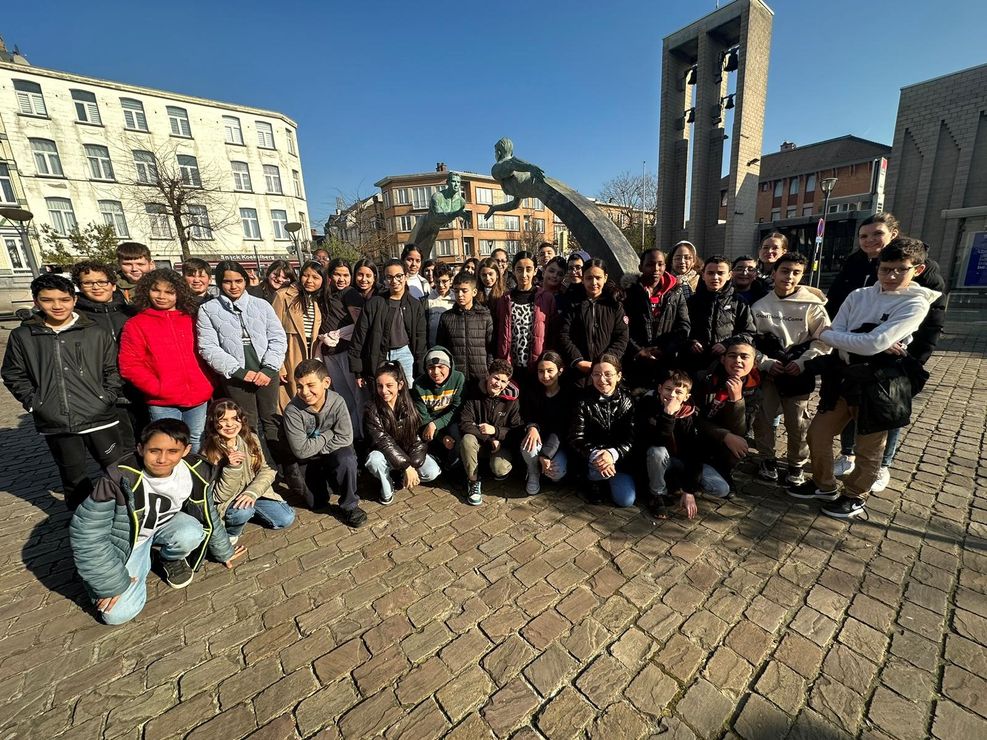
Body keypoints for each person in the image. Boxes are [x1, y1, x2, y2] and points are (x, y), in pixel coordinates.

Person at [790, 238, 941, 519]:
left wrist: (835, 336)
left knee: (869, 447)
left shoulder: (916, 303)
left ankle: (854, 495)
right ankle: (824, 485)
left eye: (900, 269)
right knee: (818, 433)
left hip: (880, 383)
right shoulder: (858, 295)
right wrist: (860, 339)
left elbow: (870, 343)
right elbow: (848, 334)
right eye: (886, 269)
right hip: (844, 378)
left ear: (916, 270)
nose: (891, 276)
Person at [68, 419, 245, 625]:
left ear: (186, 450)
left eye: (172, 451)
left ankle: (169, 557)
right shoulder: (118, 478)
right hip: (130, 543)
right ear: (141, 448)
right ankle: (141, 558)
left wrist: (224, 550)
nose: (163, 459)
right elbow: (87, 534)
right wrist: (110, 584)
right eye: (154, 451)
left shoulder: (196, 471)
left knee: (193, 531)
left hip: (164, 526)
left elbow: (208, 512)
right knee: (116, 615)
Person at [825, 213, 947, 492]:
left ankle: (882, 466)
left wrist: (916, 356)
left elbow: (933, 319)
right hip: (850, 353)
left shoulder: (922, 270)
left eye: (876, 234)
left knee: (887, 411)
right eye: (864, 235)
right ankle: (848, 453)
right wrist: (836, 336)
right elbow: (837, 305)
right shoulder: (856, 263)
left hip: (896, 357)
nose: (869, 240)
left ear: (893, 233)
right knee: (852, 404)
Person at [2, 274, 124, 510]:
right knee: (73, 478)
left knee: (117, 471)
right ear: (36, 302)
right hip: (57, 421)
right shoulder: (24, 336)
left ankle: (126, 513)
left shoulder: (95, 332)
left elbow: (112, 369)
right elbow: (13, 374)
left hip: (99, 417)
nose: (57, 306)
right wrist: (35, 403)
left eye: (64, 299)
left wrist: (106, 397)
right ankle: (83, 524)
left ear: (74, 300)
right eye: (48, 300)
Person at [750, 252, 830, 486]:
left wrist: (803, 361)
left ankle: (796, 464)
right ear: (774, 273)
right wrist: (764, 361)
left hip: (798, 371)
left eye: (796, 273)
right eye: (785, 271)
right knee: (763, 418)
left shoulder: (813, 306)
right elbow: (749, 340)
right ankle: (767, 459)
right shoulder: (760, 305)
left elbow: (824, 340)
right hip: (769, 371)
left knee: (798, 421)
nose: (790, 277)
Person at [196, 261, 287, 463]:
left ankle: (282, 468)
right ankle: (258, 465)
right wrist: (239, 371)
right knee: (247, 423)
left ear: (245, 281)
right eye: (227, 282)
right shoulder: (208, 310)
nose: (234, 286)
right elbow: (208, 347)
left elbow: (277, 338)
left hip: (266, 374)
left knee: (271, 420)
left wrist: (269, 368)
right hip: (236, 377)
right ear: (220, 283)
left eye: (238, 281)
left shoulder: (261, 305)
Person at [119, 269, 214, 452]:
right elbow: (130, 364)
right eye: (156, 290)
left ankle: (194, 479)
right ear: (147, 290)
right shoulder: (136, 324)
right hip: (162, 400)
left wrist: (208, 381)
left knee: (196, 439)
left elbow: (207, 350)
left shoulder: (192, 318)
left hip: (198, 395)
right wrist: (157, 388)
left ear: (179, 293)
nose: (162, 296)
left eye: (169, 292)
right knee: (168, 444)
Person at [283, 359, 364, 526]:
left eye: (311, 385)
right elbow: (301, 451)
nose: (305, 392)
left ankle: (350, 504)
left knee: (347, 457)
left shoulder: (337, 401)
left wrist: (315, 446)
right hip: (308, 459)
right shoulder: (292, 411)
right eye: (299, 386)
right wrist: (328, 434)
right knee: (316, 504)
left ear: (326, 382)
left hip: (330, 451)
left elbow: (346, 438)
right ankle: (325, 483)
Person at [200, 399, 294, 542]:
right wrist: (232, 468)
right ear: (213, 422)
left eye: (234, 418)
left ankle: (251, 511)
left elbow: (268, 469)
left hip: (253, 493)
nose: (230, 424)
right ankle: (231, 532)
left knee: (286, 518)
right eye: (223, 420)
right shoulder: (209, 453)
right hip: (229, 502)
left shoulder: (251, 438)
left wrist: (252, 492)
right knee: (243, 512)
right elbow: (218, 497)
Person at [71, 260, 139, 449]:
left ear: (113, 284)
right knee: (116, 449)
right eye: (88, 282)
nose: (96, 287)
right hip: (101, 393)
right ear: (79, 286)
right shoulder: (76, 318)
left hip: (137, 389)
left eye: (102, 281)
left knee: (145, 440)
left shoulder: (130, 312)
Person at [365, 362, 442, 504]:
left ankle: (401, 475)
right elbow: (383, 441)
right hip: (384, 453)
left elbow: (419, 438)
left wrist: (412, 465)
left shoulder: (411, 403)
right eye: (379, 386)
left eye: (389, 385)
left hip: (408, 452)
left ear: (399, 385)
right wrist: (407, 466)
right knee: (374, 461)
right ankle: (388, 481)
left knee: (432, 472)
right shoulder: (372, 409)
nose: (384, 390)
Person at [693, 337, 760, 497]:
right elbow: (692, 417)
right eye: (732, 355)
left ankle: (720, 472)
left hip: (720, 443)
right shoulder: (704, 378)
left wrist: (736, 400)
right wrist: (724, 435)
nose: (738, 360)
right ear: (723, 359)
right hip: (696, 436)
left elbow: (741, 430)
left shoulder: (755, 391)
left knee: (740, 444)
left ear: (754, 363)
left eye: (744, 357)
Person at [569, 354, 637, 507]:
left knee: (626, 500)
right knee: (596, 489)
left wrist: (612, 454)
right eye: (596, 374)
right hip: (592, 458)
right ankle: (593, 482)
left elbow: (632, 437)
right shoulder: (582, 400)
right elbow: (576, 437)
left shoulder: (629, 400)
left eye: (608, 374)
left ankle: (610, 479)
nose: (602, 380)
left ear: (618, 376)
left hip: (619, 459)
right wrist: (597, 455)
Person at [321, 259, 377, 441]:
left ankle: (362, 434)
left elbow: (360, 325)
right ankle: (351, 433)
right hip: (330, 353)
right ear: (330, 276)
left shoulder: (351, 294)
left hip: (346, 352)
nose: (341, 279)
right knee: (343, 397)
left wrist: (336, 334)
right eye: (337, 274)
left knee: (358, 397)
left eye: (346, 275)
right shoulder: (327, 294)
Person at [349, 259, 426, 389]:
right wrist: (358, 371)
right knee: (381, 393)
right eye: (389, 277)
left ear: (405, 276)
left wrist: (421, 368)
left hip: (405, 354)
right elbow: (359, 337)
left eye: (398, 276)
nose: (394, 281)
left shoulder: (415, 305)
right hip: (379, 354)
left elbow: (420, 339)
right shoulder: (375, 303)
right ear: (384, 279)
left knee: (408, 393)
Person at [639, 371, 706, 520]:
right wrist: (668, 414)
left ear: (686, 397)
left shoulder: (691, 414)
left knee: (720, 488)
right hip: (656, 461)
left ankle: (679, 486)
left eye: (679, 392)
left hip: (681, 462)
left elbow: (695, 453)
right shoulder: (648, 407)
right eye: (668, 389)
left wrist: (689, 491)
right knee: (658, 452)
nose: (672, 395)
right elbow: (657, 442)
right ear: (660, 389)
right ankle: (657, 494)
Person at [459, 359, 522, 506]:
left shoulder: (512, 401)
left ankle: (490, 468)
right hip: (479, 443)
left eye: (503, 381)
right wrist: (488, 438)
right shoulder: (474, 393)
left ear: (507, 383)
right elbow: (465, 422)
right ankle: (473, 481)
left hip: (501, 446)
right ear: (488, 375)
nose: (498, 384)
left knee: (500, 469)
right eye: (495, 378)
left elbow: (517, 430)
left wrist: (496, 431)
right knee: (467, 439)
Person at [624, 248, 690, 386]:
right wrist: (639, 350)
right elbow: (622, 327)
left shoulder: (676, 292)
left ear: (665, 266)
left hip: (667, 361)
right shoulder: (629, 293)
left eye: (660, 264)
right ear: (640, 267)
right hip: (636, 362)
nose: (656, 269)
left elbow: (683, 325)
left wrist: (666, 349)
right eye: (650, 264)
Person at [560, 258, 629, 386]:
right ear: (583, 278)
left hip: (607, 374)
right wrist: (578, 360)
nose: (594, 282)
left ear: (605, 277)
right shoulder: (573, 303)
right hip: (578, 375)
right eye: (589, 278)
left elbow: (622, 337)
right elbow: (564, 334)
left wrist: (605, 362)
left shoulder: (614, 305)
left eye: (598, 277)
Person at [496, 251, 556, 389]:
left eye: (528, 269)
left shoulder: (546, 298)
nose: (524, 275)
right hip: (511, 366)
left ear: (535, 271)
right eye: (519, 269)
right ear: (513, 270)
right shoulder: (505, 299)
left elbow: (552, 332)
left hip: (537, 366)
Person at [685, 255, 756, 374]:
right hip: (694, 363)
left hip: (726, 365)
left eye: (720, 273)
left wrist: (727, 344)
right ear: (703, 275)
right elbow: (681, 330)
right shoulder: (691, 302)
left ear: (729, 275)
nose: (715, 277)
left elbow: (749, 333)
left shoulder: (738, 302)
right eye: (710, 273)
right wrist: (690, 342)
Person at [272, 260, 324, 411]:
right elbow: (273, 332)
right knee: (290, 402)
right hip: (290, 358)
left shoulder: (317, 299)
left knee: (311, 399)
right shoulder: (282, 296)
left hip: (311, 357)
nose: (309, 281)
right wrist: (280, 366)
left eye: (315, 277)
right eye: (306, 276)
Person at [519, 351, 570, 495]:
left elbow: (561, 428)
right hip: (539, 438)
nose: (545, 376)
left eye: (550, 371)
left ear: (560, 371)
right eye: (541, 371)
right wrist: (532, 426)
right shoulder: (532, 391)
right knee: (529, 444)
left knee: (556, 473)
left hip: (558, 443)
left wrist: (546, 454)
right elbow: (527, 414)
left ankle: (545, 468)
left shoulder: (568, 394)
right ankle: (533, 472)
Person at [437, 271, 494, 385]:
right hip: (455, 377)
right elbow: (441, 348)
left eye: (464, 290)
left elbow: (491, 348)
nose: (460, 295)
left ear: (474, 292)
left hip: (481, 377)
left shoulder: (485, 316)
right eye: (456, 291)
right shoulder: (446, 317)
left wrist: (488, 371)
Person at [412, 347, 466, 465]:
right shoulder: (418, 385)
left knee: (456, 435)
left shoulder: (458, 378)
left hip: (450, 419)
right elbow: (422, 416)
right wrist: (441, 437)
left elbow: (457, 409)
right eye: (431, 368)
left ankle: (452, 465)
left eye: (441, 367)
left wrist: (436, 424)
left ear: (449, 367)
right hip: (427, 422)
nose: (436, 372)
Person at [423, 264, 455, 347]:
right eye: (437, 282)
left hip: (452, 347)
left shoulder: (457, 299)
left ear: (450, 280)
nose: (441, 285)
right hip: (432, 347)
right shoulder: (426, 300)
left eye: (444, 281)